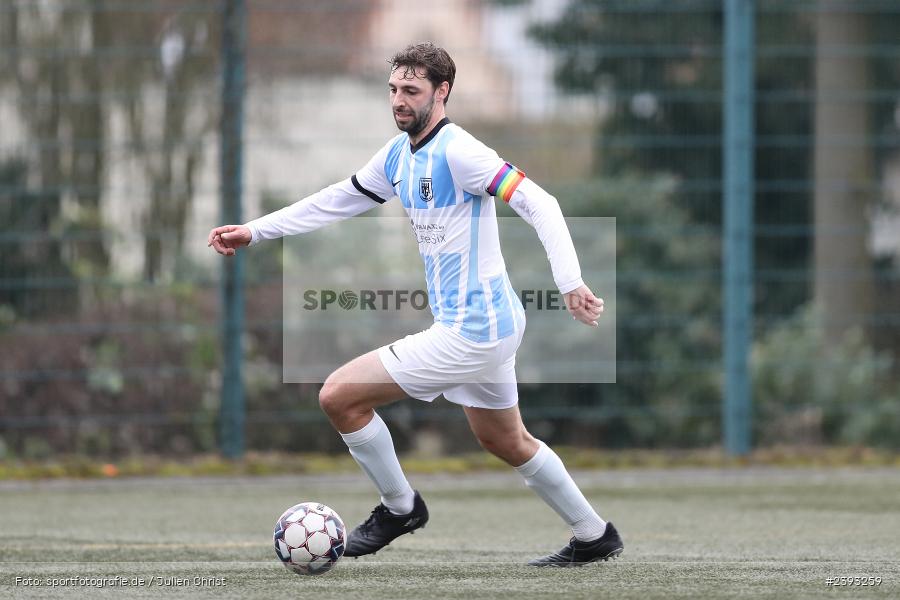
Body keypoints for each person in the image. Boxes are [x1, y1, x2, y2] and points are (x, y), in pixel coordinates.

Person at [208, 42, 623, 567]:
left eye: (411, 91)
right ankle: (593, 534)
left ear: (442, 92)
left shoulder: (460, 152)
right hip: (487, 324)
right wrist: (255, 230)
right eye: (393, 90)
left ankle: (400, 508)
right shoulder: (398, 156)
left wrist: (570, 282)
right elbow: (339, 198)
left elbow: (542, 203)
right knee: (506, 439)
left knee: (340, 396)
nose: (399, 101)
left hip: (473, 330)